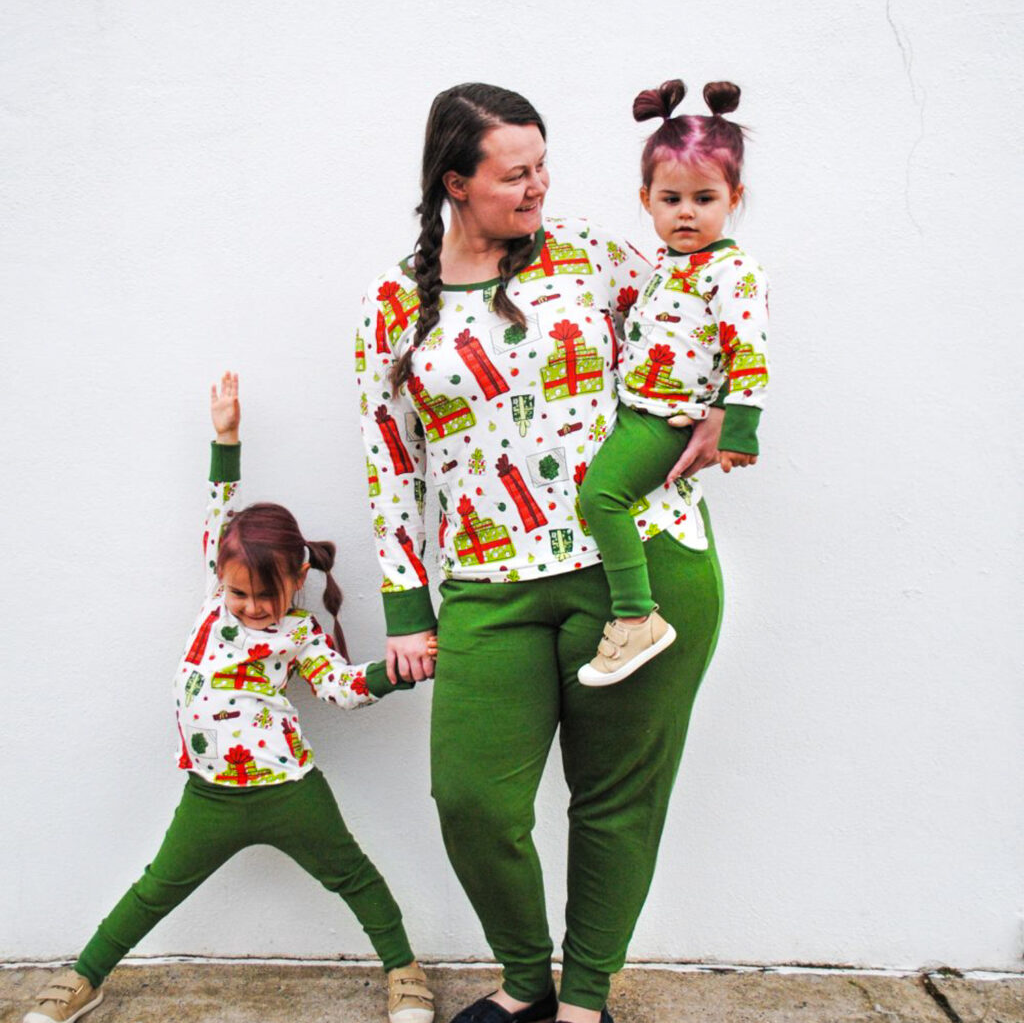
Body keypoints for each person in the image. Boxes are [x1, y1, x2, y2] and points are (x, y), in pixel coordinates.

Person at [356, 83, 725, 1023]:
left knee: (614, 803)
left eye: (543, 166)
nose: (538, 188)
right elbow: (390, 460)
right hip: (488, 585)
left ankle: (583, 999)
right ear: (455, 183)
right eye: (515, 175)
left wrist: (727, 401)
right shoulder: (397, 304)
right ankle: (525, 979)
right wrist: (409, 607)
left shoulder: (593, 255)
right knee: (473, 802)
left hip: (639, 566)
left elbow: (702, 306)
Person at [23, 373, 434, 1023]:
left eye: (265, 597)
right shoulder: (218, 603)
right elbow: (220, 506)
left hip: (290, 790)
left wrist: (399, 669)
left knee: (354, 877)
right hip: (210, 797)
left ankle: (405, 974)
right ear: (221, 578)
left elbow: (344, 689)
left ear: (298, 580)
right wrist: (227, 438)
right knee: (155, 889)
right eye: (239, 593)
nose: (250, 607)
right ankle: (83, 977)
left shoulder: (299, 633)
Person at [576, 79, 769, 687]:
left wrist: (738, 430)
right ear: (647, 199)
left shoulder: (733, 271)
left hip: (669, 419)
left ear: (733, 198)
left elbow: (749, 351)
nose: (687, 212)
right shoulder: (669, 263)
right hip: (635, 408)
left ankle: (637, 617)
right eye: (672, 198)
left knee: (599, 498)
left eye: (704, 198)